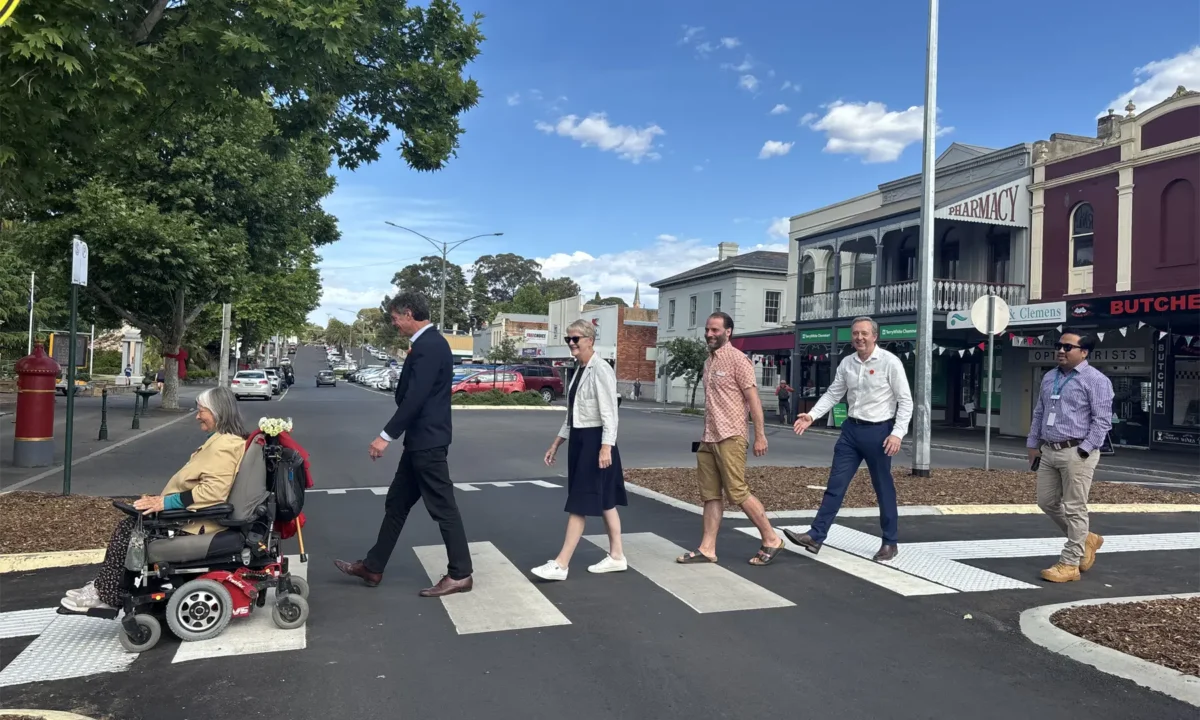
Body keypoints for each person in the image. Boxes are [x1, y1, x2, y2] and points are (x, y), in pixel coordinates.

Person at [334, 292, 473, 597]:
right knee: (396, 504)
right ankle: (373, 567)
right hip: (419, 443)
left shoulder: (430, 346)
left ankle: (461, 574)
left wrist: (385, 437)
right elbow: (406, 394)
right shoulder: (424, 346)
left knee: (443, 508)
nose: (394, 323)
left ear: (409, 314)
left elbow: (414, 399)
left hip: (428, 443)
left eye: (395, 318)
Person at [60, 386, 247, 612]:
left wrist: (165, 503)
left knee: (129, 531)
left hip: (197, 524)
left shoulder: (224, 445)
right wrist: (160, 500)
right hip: (190, 518)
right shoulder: (219, 442)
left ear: (218, 412)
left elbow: (213, 493)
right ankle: (104, 588)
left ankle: (106, 593)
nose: (197, 416)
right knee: (130, 525)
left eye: (202, 411)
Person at [790, 317, 913, 562]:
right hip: (851, 432)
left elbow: (906, 401)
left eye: (864, 333)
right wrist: (812, 415)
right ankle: (816, 535)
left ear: (874, 336)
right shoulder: (847, 363)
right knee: (835, 486)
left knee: (883, 488)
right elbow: (833, 393)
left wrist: (897, 433)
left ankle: (890, 542)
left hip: (879, 433)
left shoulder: (890, 362)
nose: (859, 338)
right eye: (855, 333)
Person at [676, 312, 783, 566]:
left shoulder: (739, 361)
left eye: (715, 330)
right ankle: (707, 548)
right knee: (710, 495)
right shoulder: (708, 362)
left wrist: (760, 436)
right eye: (707, 330)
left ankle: (771, 538)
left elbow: (753, 400)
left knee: (737, 491)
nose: (710, 334)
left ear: (728, 332)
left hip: (731, 436)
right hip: (709, 438)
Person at [533, 319, 628, 581]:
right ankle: (617, 556)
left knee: (579, 502)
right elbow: (573, 415)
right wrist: (556, 444)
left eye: (575, 338)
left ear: (590, 340)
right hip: (580, 438)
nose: (571, 343)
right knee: (606, 500)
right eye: (568, 339)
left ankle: (561, 564)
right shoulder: (580, 369)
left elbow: (610, 413)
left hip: (596, 442)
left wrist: (606, 447)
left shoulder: (601, 370)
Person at [1027, 331, 1114, 583]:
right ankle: (1086, 538)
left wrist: (1085, 449)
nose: (1061, 350)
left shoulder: (1096, 380)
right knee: (1046, 502)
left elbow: (1102, 421)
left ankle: (1070, 563)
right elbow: (1039, 412)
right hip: (1048, 450)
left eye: (1068, 347)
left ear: (1084, 352)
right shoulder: (1049, 377)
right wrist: (1033, 443)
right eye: (1059, 345)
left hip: (1077, 451)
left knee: (1075, 508)